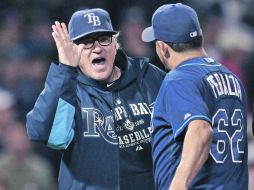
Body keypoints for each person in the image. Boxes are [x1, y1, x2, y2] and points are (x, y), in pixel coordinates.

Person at [26, 8, 165, 190]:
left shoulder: (148, 77)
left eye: (104, 39)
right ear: (73, 50)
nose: (97, 48)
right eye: (87, 42)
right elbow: (49, 136)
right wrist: (65, 69)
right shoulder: (68, 89)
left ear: (115, 44)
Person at [142, 3, 249, 190]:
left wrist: (178, 184)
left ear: (162, 47)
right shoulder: (231, 78)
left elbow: (201, 129)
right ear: (200, 34)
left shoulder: (179, 79)